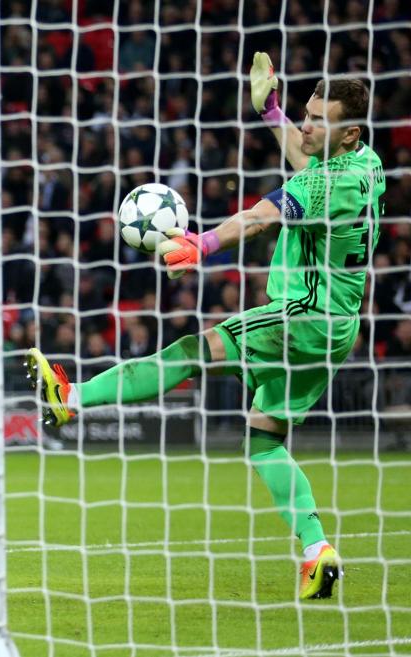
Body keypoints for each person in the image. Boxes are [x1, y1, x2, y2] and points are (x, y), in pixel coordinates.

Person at [27, 58, 384, 601]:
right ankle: (317, 550)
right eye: (306, 116)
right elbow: (305, 158)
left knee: (194, 349)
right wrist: (271, 111)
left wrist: (201, 244)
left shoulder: (328, 182)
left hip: (303, 314)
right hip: (340, 325)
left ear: (349, 130)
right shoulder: (367, 163)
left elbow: (262, 216)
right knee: (264, 438)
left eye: (317, 120)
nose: (306, 127)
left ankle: (70, 397)